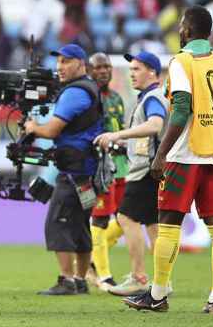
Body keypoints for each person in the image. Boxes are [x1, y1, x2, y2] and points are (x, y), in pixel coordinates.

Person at [125, 6, 213, 314]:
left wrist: (161, 154)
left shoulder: (181, 61)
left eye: (182, 24)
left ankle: (157, 294)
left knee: (168, 221)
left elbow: (181, 109)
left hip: (184, 154)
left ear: (187, 29)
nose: (179, 29)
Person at [24, 44, 103, 296]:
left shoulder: (75, 92)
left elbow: (51, 130)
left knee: (57, 222)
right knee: (80, 224)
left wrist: (33, 127)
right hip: (87, 171)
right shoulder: (88, 88)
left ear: (81, 64)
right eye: (58, 62)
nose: (60, 67)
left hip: (73, 171)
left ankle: (66, 280)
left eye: (66, 62)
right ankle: (80, 280)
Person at [95, 51, 168, 296]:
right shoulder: (149, 97)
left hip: (145, 172)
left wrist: (118, 134)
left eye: (137, 69)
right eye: (131, 69)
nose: (131, 74)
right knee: (153, 227)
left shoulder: (152, 98)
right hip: (152, 169)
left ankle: (139, 277)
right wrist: (123, 144)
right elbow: (151, 136)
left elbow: (156, 125)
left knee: (126, 218)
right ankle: (162, 282)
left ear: (152, 72)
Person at [87, 52, 128, 291]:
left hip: (121, 166)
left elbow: (119, 128)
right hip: (100, 168)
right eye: (98, 67)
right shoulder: (88, 98)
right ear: (90, 71)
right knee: (100, 218)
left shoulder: (115, 98)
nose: (103, 71)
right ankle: (103, 275)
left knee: (126, 218)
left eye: (107, 67)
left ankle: (93, 260)